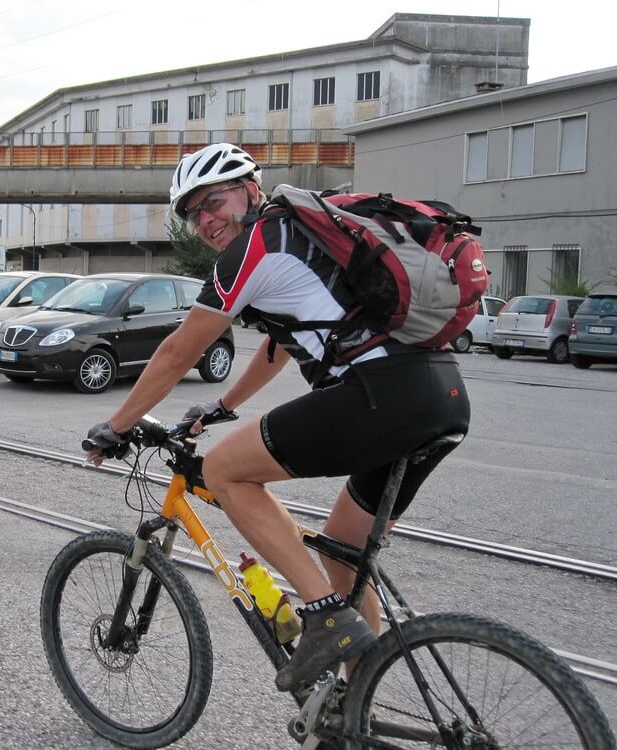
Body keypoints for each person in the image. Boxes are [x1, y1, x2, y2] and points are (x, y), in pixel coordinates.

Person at [84, 143, 471, 692]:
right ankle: (357, 705)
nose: (206, 220)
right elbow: (280, 345)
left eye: (213, 201)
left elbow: (178, 351)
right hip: (438, 393)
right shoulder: (302, 234)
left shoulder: (256, 245)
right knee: (344, 558)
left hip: (379, 395)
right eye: (193, 213)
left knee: (223, 471)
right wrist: (222, 406)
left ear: (249, 188)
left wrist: (117, 425)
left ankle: (325, 618)